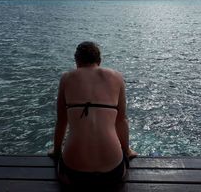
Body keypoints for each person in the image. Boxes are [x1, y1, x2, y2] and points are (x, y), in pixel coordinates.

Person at [48, 41, 137, 188]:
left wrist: (56, 150)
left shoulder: (67, 78)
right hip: (112, 173)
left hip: (74, 174)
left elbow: (62, 121)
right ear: (99, 61)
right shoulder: (117, 77)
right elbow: (121, 120)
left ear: (77, 61)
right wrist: (127, 150)